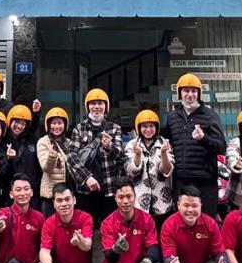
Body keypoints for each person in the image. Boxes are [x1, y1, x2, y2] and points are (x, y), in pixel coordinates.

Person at [164, 74, 227, 220]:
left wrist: (204, 138)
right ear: (180, 93)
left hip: (205, 180)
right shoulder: (172, 117)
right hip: (181, 178)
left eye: (194, 91)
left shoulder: (211, 116)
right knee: (182, 221)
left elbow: (221, 147)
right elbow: (168, 144)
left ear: (199, 93)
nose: (190, 95)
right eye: (186, 91)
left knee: (206, 221)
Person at [64, 88, 124, 224]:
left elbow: (121, 156)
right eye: (93, 103)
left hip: (109, 189)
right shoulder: (79, 128)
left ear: (106, 106)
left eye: (100, 103)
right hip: (84, 190)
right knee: (85, 227)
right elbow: (70, 156)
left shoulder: (115, 128)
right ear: (87, 107)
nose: (96, 107)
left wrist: (110, 147)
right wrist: (86, 178)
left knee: (109, 228)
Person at [125, 109, 174, 228]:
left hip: (162, 203)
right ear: (138, 127)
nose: (148, 130)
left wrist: (163, 153)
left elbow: (167, 171)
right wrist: (137, 155)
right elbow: (131, 172)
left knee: (161, 235)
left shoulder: (164, 143)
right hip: (139, 202)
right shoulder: (132, 145)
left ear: (157, 127)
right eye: (144, 126)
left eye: (151, 126)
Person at [36, 108, 70, 215]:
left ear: (65, 125)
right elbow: (46, 168)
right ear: (48, 125)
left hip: (66, 193)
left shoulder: (69, 142)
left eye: (59, 123)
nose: (56, 127)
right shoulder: (43, 142)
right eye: (53, 123)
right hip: (51, 194)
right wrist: (51, 156)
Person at [4, 104, 42, 196]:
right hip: (12, 192)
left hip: (32, 190)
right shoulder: (3, 141)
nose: (19, 126)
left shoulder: (31, 140)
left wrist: (36, 113)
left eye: (23, 123)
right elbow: (2, 172)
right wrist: (10, 159)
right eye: (17, 122)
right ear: (10, 121)